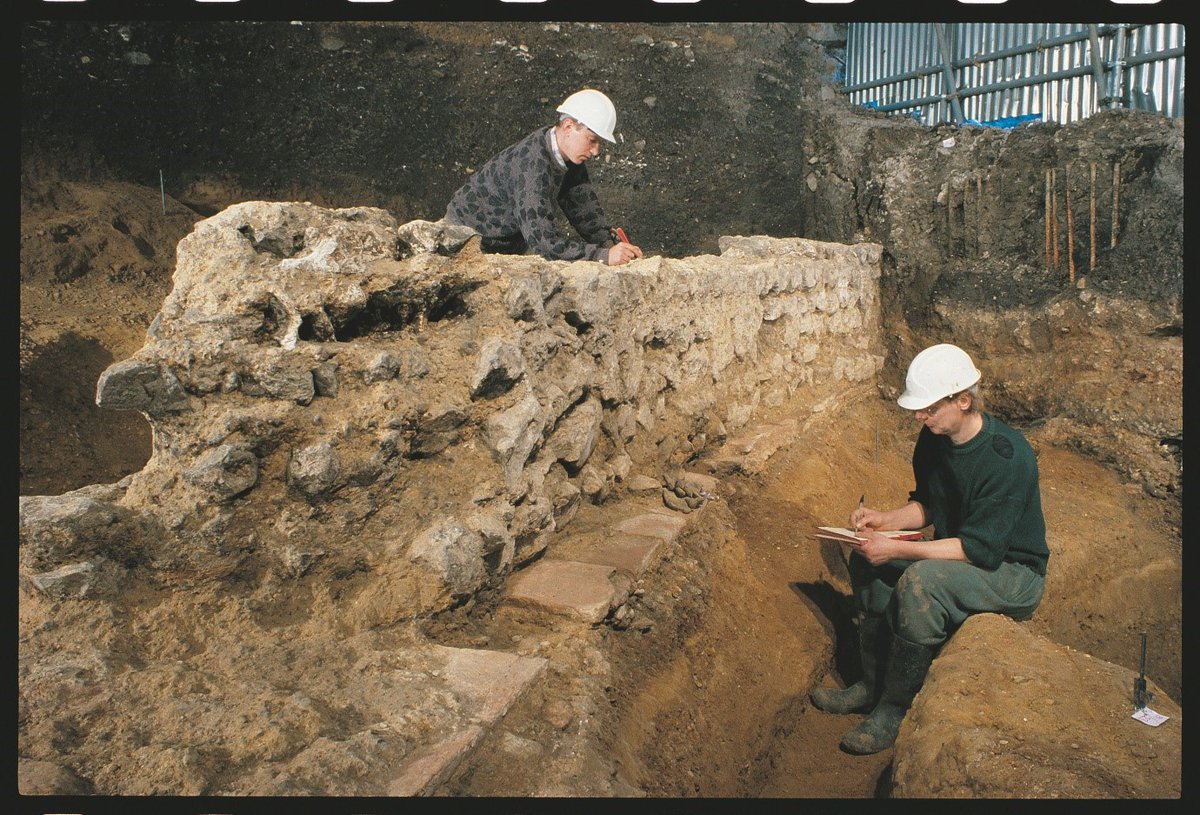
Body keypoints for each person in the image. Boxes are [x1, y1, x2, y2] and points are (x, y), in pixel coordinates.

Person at [811, 343, 1050, 755]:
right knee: (867, 559)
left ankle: (895, 709)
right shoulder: (935, 438)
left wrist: (900, 551)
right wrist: (884, 520)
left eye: (930, 408)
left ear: (964, 400)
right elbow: (931, 505)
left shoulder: (1007, 458)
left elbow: (980, 550)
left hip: (1012, 571)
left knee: (922, 582)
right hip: (966, 550)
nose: (920, 417)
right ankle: (871, 684)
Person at [444, 88, 643, 266]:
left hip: (508, 242)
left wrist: (611, 246)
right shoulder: (531, 168)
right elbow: (543, 242)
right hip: (466, 241)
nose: (595, 151)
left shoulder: (570, 156)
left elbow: (584, 210)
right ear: (568, 126)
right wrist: (602, 256)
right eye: (592, 141)